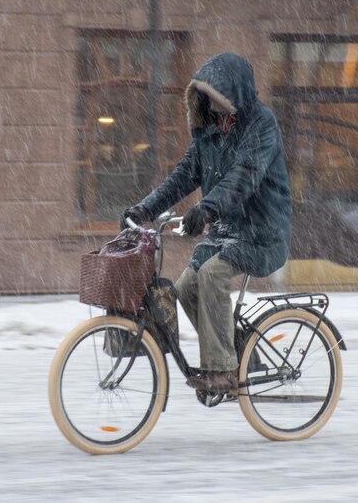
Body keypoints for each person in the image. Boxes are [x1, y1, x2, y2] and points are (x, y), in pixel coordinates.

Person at [121, 53, 292, 392]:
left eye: (217, 93)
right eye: (206, 94)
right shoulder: (209, 132)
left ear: (234, 93)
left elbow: (245, 175)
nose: (211, 101)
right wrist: (145, 210)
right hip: (227, 232)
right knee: (185, 287)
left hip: (264, 234)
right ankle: (238, 352)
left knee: (212, 275)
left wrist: (208, 208)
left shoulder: (262, 124)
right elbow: (183, 176)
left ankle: (224, 371)